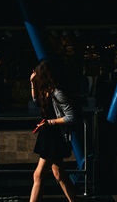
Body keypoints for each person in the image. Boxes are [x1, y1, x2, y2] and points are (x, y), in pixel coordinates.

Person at [29, 60, 80, 202]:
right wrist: (32, 84)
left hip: (54, 137)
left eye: (37, 73)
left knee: (38, 175)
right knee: (58, 173)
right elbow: (35, 102)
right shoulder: (45, 90)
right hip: (47, 134)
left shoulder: (57, 92)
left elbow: (71, 116)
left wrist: (50, 122)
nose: (35, 75)